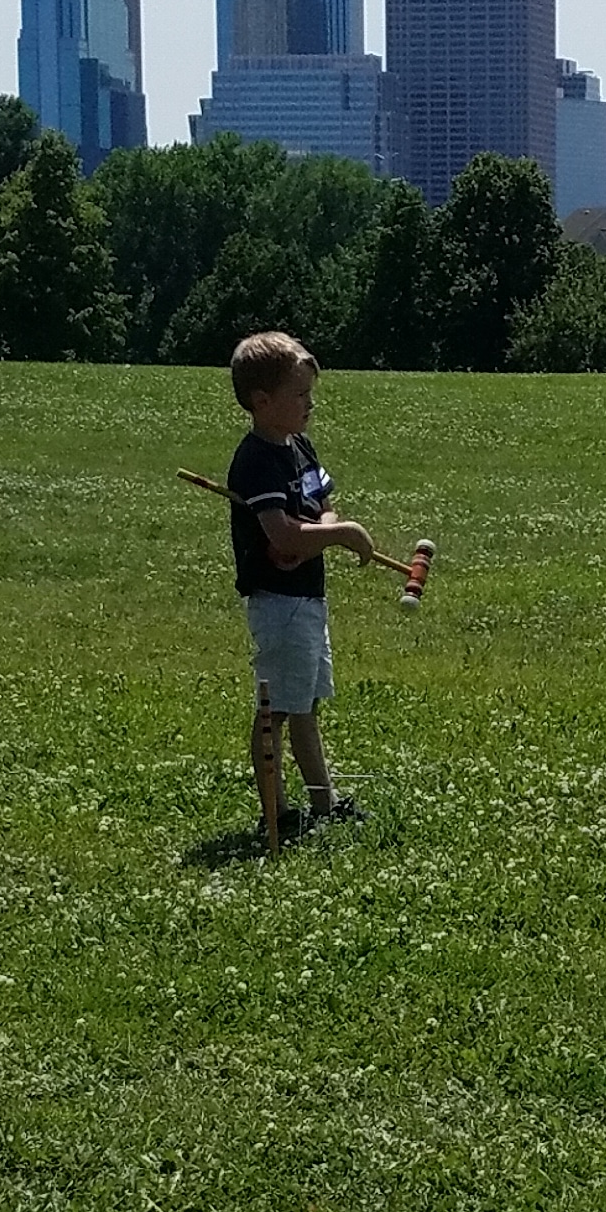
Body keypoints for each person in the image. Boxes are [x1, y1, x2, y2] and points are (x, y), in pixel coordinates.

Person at [227, 331, 374, 837]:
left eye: (310, 393)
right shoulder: (256, 460)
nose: (309, 404)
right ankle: (277, 812)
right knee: (277, 710)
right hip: (279, 604)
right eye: (299, 395)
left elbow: (320, 503)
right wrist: (343, 535)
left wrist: (331, 525)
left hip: (308, 599)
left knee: (306, 704)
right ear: (262, 402)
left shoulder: (300, 446)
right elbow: (282, 532)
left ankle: (324, 802)